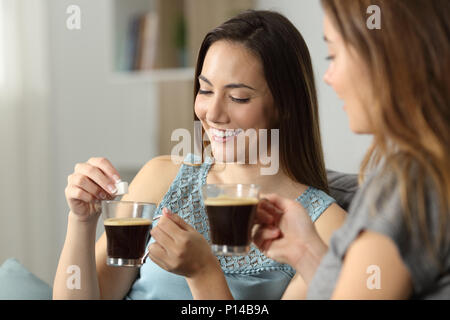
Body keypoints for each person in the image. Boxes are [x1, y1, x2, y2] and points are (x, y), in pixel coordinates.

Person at [52, 10, 347, 300]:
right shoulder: (161, 177)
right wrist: (81, 221)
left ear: (286, 105)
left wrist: (203, 272)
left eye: (238, 97)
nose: (213, 114)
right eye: (205, 91)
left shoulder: (324, 227)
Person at [252, 0, 450, 299]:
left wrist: (203, 275)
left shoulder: (409, 182)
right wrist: (305, 250)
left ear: (387, 56)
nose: (328, 78)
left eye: (333, 55)